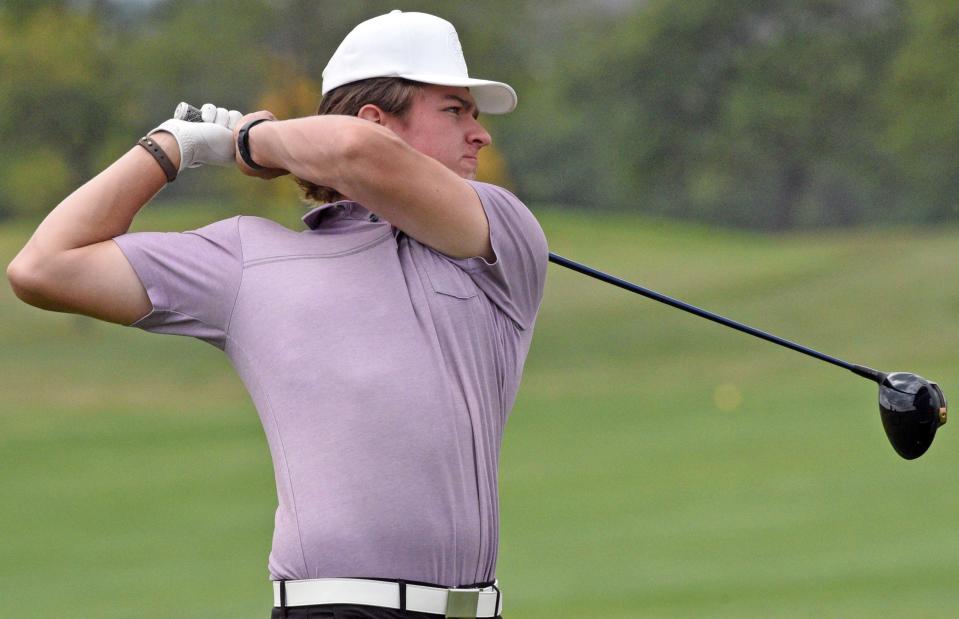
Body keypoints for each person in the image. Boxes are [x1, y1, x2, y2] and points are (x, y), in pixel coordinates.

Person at [6, 10, 547, 619]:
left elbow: (355, 152)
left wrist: (250, 141)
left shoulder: (497, 234)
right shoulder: (248, 259)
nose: (481, 134)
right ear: (378, 120)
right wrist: (171, 148)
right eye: (455, 110)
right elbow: (42, 268)